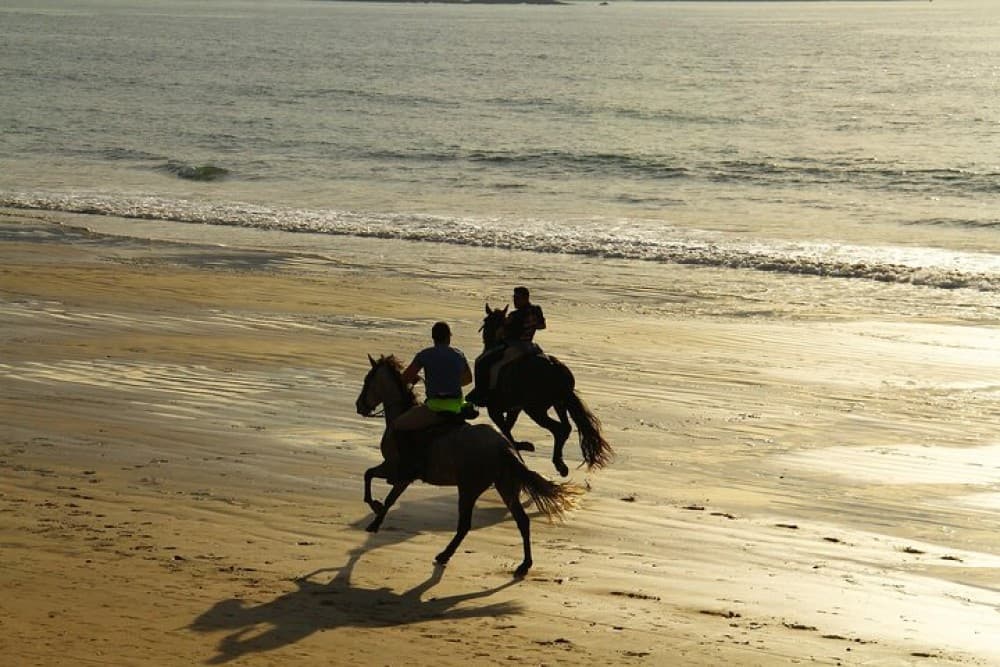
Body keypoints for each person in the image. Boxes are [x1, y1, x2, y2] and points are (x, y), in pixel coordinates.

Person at [391, 322, 473, 475]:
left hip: (435, 407)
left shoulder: (425, 355)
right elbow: (468, 379)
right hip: (457, 406)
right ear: (449, 338)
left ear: (433, 338)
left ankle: (406, 466)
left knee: (398, 425)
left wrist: (419, 379)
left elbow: (405, 378)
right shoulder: (459, 354)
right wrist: (452, 381)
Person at [467, 286, 546, 407]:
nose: (515, 300)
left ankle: (483, 393)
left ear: (525, 298)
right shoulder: (537, 310)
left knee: (483, 362)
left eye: (517, 298)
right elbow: (542, 326)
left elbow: (501, 334)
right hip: (531, 345)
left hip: (515, 347)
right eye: (514, 297)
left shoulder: (515, 315)